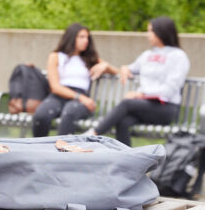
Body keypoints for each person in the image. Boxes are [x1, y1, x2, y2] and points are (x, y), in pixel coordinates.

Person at [88, 16, 190, 146]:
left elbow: (170, 90)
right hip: (144, 106)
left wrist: (140, 95)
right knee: (123, 121)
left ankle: (93, 134)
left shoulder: (178, 56)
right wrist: (125, 68)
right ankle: (127, 159)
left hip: (166, 108)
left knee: (127, 104)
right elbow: (131, 68)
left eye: (150, 31)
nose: (148, 35)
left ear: (162, 32)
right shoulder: (148, 55)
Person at [31, 23, 115, 137]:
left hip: (80, 101)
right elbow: (55, 87)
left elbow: (118, 72)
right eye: (81, 37)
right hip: (61, 96)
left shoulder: (89, 59)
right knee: (41, 115)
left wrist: (105, 65)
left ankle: (62, 151)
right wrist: (80, 98)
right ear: (71, 37)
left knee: (69, 112)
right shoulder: (56, 56)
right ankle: (38, 149)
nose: (86, 41)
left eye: (87, 37)